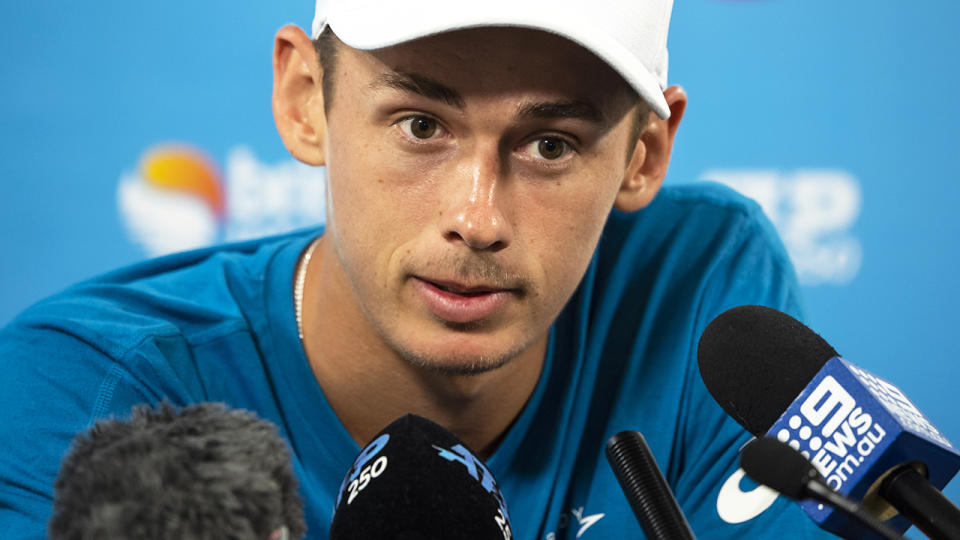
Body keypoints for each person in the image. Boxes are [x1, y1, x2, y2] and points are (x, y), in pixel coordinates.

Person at [0, 0, 834, 538]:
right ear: (303, 99)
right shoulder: (85, 392)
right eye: (420, 126)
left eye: (551, 145)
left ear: (643, 155)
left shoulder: (694, 289)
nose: (476, 220)